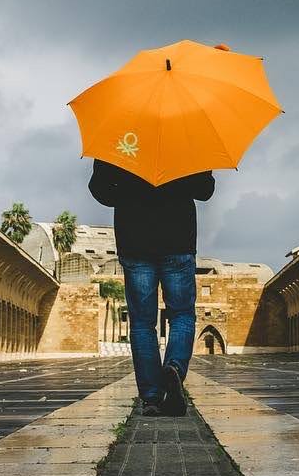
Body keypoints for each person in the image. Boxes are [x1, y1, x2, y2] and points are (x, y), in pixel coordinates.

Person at [88, 158, 215, 416]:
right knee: (181, 315)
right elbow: (205, 190)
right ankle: (175, 369)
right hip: (178, 240)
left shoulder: (118, 137)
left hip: (135, 241)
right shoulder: (188, 138)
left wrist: (129, 192)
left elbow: (99, 190)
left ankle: (151, 398)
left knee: (142, 323)